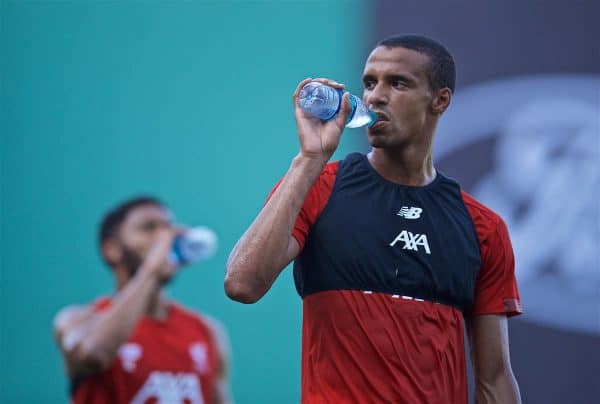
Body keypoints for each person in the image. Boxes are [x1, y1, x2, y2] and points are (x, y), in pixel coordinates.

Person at [225, 35, 522, 403]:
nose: (375, 96)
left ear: (440, 100)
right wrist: (308, 160)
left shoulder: (483, 227)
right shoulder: (316, 187)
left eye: (397, 83)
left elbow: (495, 379)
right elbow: (242, 284)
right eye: (369, 82)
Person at [54, 196, 232, 404]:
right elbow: (94, 354)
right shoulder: (78, 320)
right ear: (111, 249)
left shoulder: (206, 331)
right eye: (149, 228)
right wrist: (151, 270)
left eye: (167, 228)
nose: (165, 238)